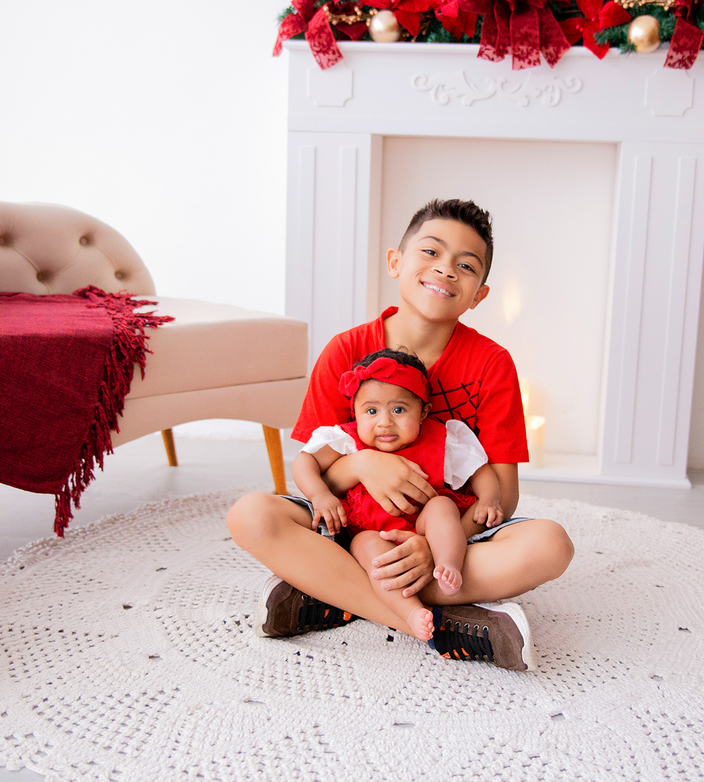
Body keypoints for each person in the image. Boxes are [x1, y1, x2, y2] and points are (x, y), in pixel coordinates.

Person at [228, 198, 574, 672]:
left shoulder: (492, 364)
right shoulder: (346, 349)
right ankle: (435, 622)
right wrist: (365, 464)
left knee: (551, 545)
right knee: (250, 516)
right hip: (353, 530)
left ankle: (331, 592)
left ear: (479, 295)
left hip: (448, 537)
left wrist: (434, 546)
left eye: (465, 265)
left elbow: (503, 499)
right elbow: (314, 473)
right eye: (431, 252)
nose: (446, 269)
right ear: (396, 261)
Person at [293, 348, 503, 642]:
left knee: (443, 506)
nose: (384, 422)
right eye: (371, 411)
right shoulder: (346, 439)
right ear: (355, 412)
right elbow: (304, 461)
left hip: (423, 527)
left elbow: (480, 471)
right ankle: (410, 613)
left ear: (423, 412)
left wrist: (489, 499)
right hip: (371, 531)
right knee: (369, 550)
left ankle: (448, 566)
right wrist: (319, 495)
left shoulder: (441, 439)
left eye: (399, 410)